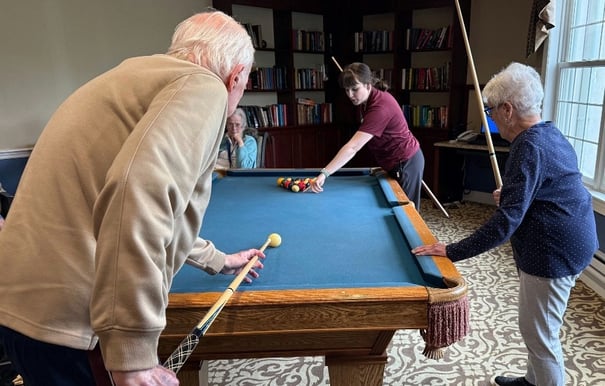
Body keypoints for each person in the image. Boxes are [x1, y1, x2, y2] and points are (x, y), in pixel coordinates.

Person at [0, 10, 262, 386]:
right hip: (72, 326)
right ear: (237, 76)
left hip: (23, 311)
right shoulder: (206, 88)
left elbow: (136, 201)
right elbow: (137, 193)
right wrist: (133, 355)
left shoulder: (130, 75)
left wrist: (218, 260)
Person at [411, 62, 598, 386]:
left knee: (541, 336)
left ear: (508, 109)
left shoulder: (529, 147)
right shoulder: (549, 132)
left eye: (491, 110)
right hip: (575, 239)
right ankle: (532, 380)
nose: (491, 117)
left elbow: (504, 224)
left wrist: (449, 251)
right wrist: (515, 195)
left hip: (554, 252)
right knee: (535, 326)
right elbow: (554, 185)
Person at [310, 62, 424, 209]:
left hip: (406, 163)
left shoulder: (380, 107)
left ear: (368, 85)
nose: (350, 95)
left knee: (409, 215)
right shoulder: (368, 100)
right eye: (347, 90)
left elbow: (353, 147)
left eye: (355, 89)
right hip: (395, 162)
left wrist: (324, 173)